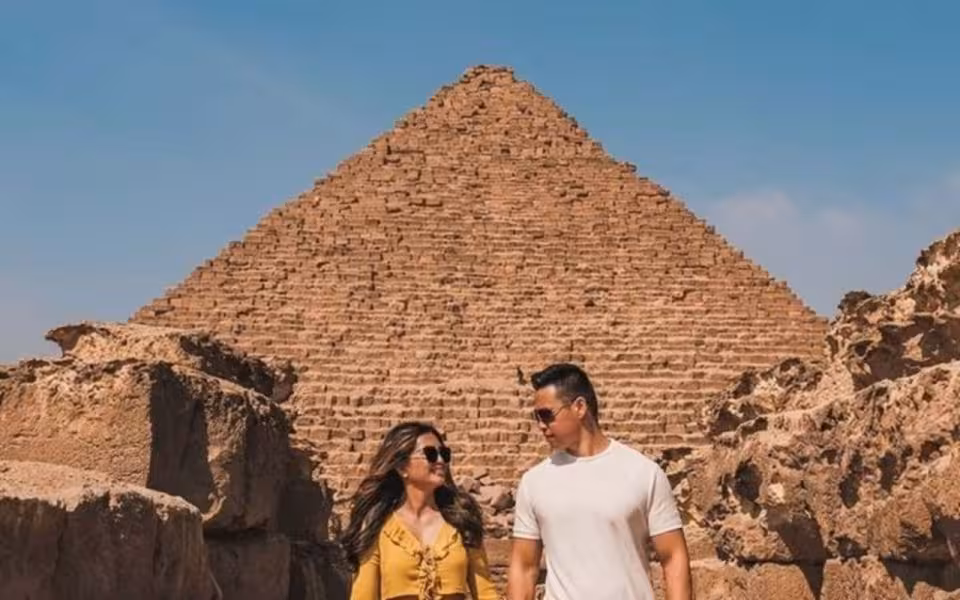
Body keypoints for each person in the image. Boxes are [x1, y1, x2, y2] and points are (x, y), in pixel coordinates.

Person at [506, 363, 692, 600]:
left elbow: (673, 557)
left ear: (580, 407)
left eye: (546, 415)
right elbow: (524, 567)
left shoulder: (643, 472)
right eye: (536, 417)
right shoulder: (534, 482)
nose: (541, 426)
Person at [342, 421, 500, 600]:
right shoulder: (378, 525)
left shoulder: (462, 519)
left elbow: (486, 592)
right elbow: (363, 596)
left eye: (444, 454)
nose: (440, 461)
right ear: (402, 468)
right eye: (430, 454)